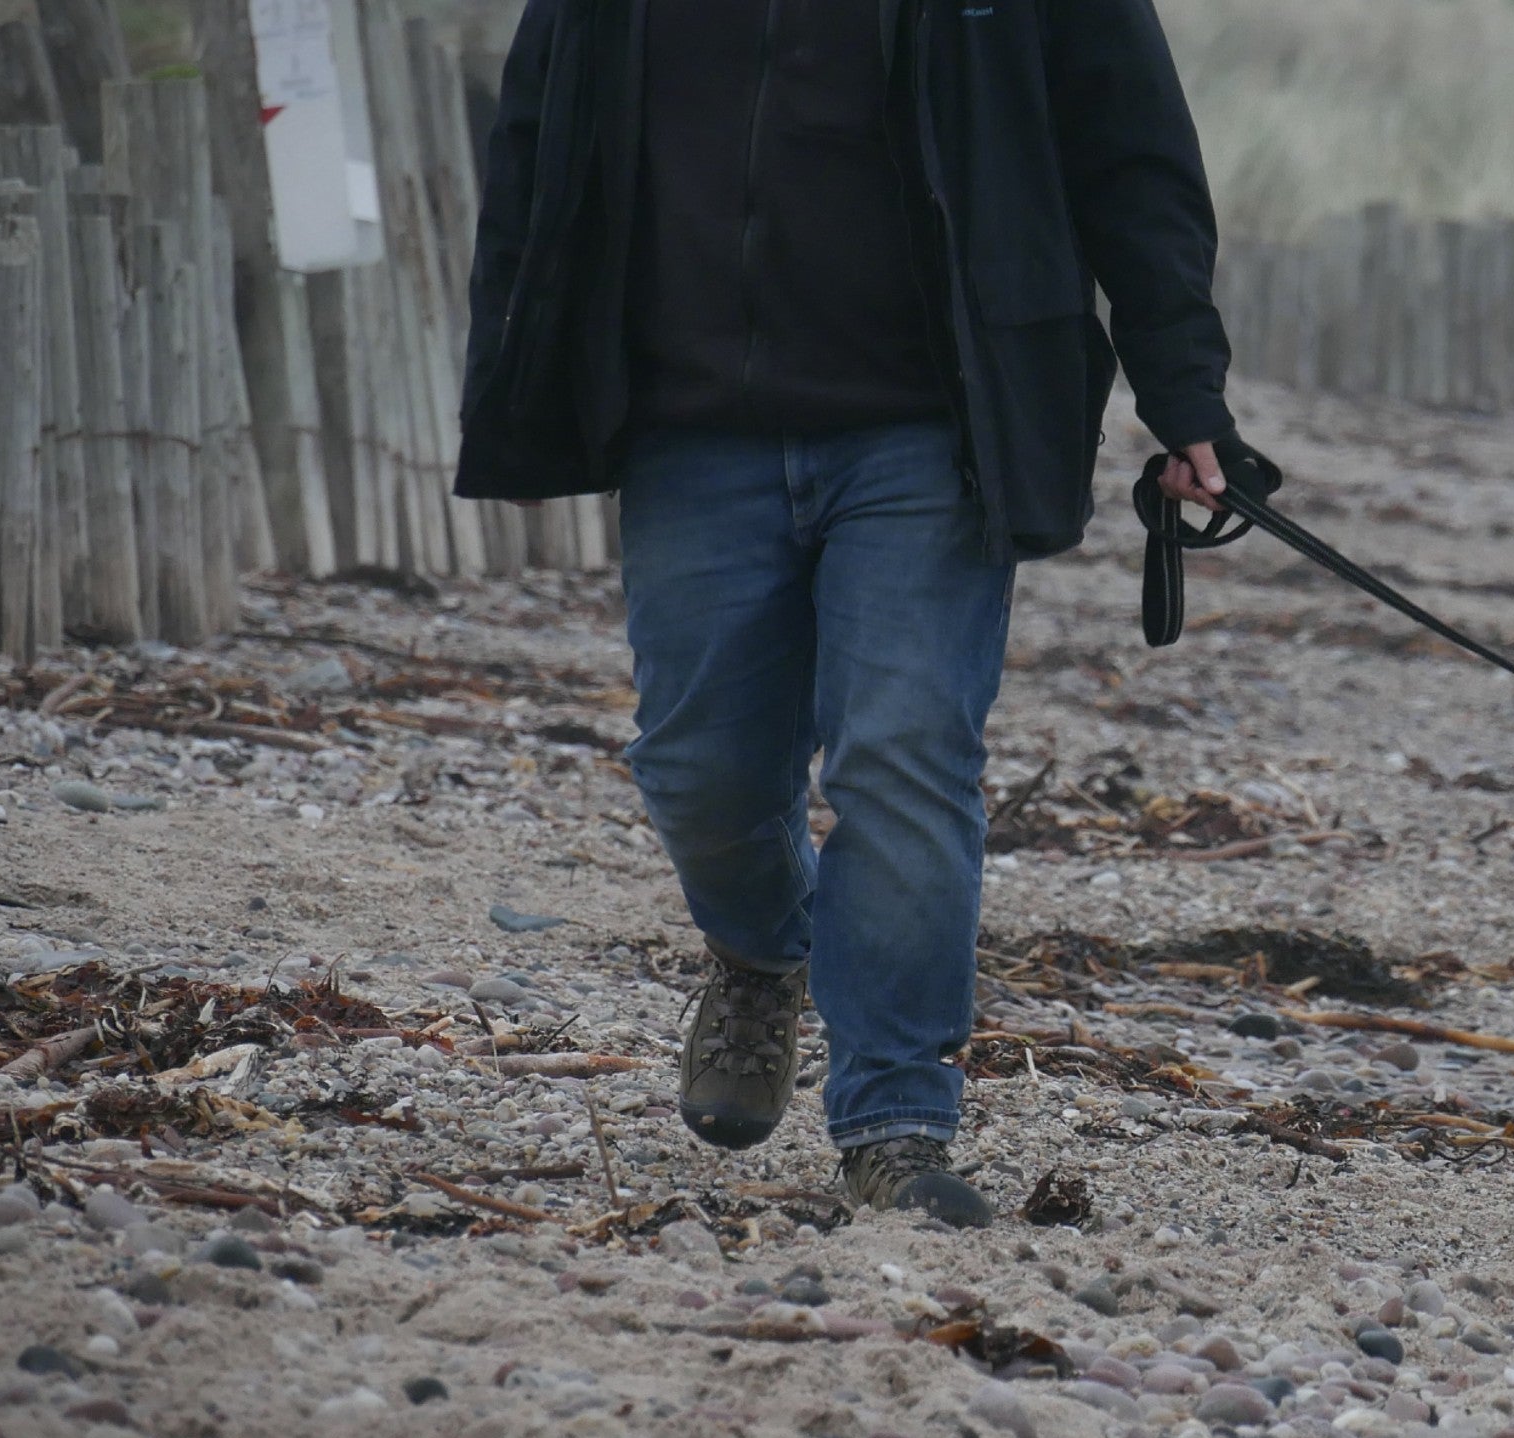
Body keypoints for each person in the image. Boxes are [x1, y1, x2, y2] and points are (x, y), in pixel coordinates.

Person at [454, 0, 1239, 1226]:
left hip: (931, 426)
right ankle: (765, 953)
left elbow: (1129, 151)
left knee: (906, 754)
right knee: (696, 767)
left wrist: (1183, 387)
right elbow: (538, 148)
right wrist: (518, 367)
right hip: (692, 425)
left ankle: (895, 1119)